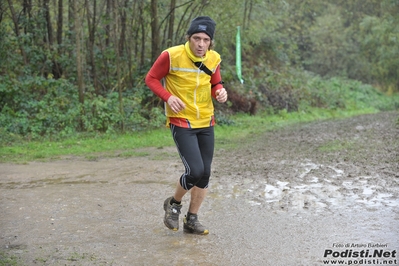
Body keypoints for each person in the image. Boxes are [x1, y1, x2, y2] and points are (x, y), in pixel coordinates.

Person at [145, 16, 228, 235]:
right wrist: (167, 96)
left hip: (206, 120)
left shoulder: (214, 58)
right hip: (181, 120)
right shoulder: (171, 55)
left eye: (206, 40)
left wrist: (220, 92)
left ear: (211, 42)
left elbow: (215, 82)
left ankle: (192, 220)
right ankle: (173, 203)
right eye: (196, 38)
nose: (201, 44)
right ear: (188, 38)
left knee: (205, 173)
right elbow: (151, 78)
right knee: (195, 170)